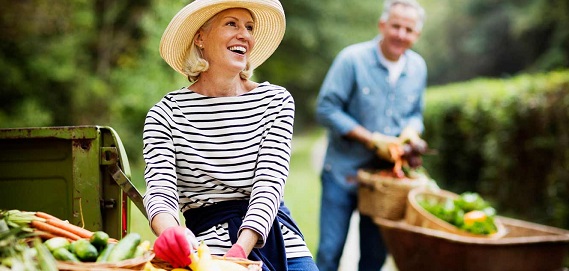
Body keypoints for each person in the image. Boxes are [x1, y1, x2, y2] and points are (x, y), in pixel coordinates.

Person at [142, 0, 318, 270]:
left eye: (249, 27)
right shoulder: (166, 113)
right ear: (200, 37)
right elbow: (160, 191)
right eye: (231, 24)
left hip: (277, 240)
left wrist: (241, 248)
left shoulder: (276, 101)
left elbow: (269, 184)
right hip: (206, 250)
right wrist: (171, 233)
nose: (245, 35)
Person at [314, 0, 427, 270]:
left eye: (408, 30)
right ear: (382, 25)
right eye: (396, 26)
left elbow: (416, 113)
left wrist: (412, 130)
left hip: (384, 183)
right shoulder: (351, 59)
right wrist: (370, 139)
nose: (401, 34)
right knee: (330, 253)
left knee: (374, 259)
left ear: (416, 35)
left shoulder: (418, 68)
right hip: (342, 174)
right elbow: (326, 108)